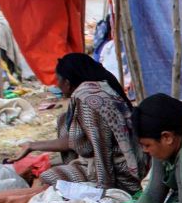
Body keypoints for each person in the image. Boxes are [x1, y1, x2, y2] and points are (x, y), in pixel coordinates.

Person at [14, 53, 147, 193]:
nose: (56, 84)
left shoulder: (88, 101)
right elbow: (76, 139)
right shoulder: (100, 88)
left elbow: (101, 148)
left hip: (120, 173)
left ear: (67, 82)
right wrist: (32, 146)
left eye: (58, 79)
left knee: (48, 177)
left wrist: (105, 191)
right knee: (63, 120)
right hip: (116, 163)